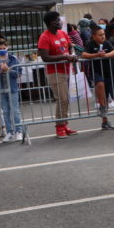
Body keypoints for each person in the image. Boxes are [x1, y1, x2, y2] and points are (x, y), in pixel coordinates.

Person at [38, 10, 78, 139]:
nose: (60, 22)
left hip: (66, 70)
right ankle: (59, 127)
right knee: (62, 99)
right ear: (51, 22)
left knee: (66, 100)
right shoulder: (45, 37)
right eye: (58, 19)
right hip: (54, 72)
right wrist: (63, 57)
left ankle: (65, 125)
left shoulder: (62, 33)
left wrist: (71, 55)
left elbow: (70, 47)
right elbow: (45, 57)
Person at [82, 25, 114, 131]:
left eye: (103, 34)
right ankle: (102, 108)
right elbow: (84, 54)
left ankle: (105, 120)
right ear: (94, 36)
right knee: (100, 84)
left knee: (106, 94)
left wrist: (107, 55)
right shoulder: (91, 44)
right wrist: (96, 55)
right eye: (100, 35)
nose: (103, 37)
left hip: (107, 72)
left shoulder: (106, 43)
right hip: (96, 71)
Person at [0, 38, 23, 142]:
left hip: (12, 88)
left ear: (7, 47)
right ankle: (9, 131)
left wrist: (8, 69)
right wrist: (0, 71)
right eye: (0, 48)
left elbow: (18, 73)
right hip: (1, 88)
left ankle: (19, 130)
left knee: (15, 110)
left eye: (4, 48)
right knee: (5, 111)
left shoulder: (13, 58)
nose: (2, 50)